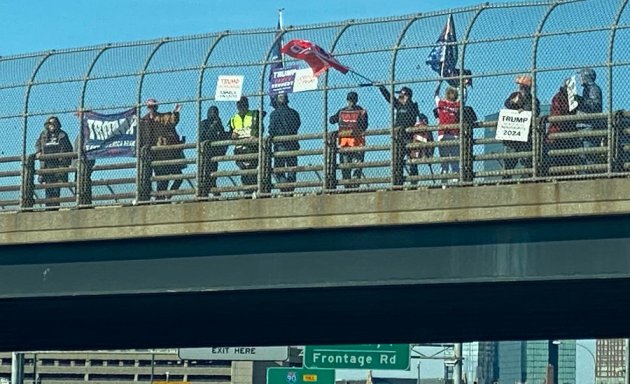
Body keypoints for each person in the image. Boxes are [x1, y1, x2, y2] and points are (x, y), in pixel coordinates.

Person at [139, 98, 184, 200]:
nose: (152, 108)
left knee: (172, 178)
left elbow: (172, 120)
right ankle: (159, 199)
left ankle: (165, 196)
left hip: (166, 154)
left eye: (154, 106)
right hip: (152, 155)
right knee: (158, 180)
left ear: (157, 107)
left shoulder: (162, 117)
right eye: (150, 106)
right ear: (147, 108)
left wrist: (176, 112)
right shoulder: (143, 120)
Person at [378, 85, 421, 184]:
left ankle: (414, 182)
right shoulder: (399, 105)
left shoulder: (412, 106)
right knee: (398, 160)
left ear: (406, 96)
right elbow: (389, 98)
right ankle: (398, 182)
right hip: (399, 138)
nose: (399, 98)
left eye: (401, 95)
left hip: (409, 137)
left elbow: (412, 119)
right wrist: (382, 88)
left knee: (412, 161)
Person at [502, 75, 540, 177]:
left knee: (526, 158)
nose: (520, 88)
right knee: (510, 158)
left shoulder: (533, 100)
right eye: (520, 86)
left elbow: (535, 111)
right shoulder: (514, 95)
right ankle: (506, 177)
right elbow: (507, 104)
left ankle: (526, 178)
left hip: (526, 134)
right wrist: (513, 102)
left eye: (522, 86)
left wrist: (524, 111)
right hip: (513, 133)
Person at [329, 91, 368, 188]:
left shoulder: (356, 111)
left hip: (353, 143)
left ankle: (352, 187)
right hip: (349, 143)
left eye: (352, 100)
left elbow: (364, 127)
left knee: (353, 167)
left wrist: (363, 117)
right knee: (349, 167)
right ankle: (349, 186)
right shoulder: (346, 111)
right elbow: (332, 120)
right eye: (350, 100)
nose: (351, 102)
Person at [35, 116, 73, 207]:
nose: (52, 125)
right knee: (48, 187)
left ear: (57, 124)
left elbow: (70, 149)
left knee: (56, 187)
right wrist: (38, 151)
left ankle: (55, 206)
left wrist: (68, 163)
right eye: (50, 123)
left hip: (59, 164)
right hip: (47, 164)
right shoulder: (43, 134)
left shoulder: (63, 135)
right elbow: (37, 144)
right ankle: (48, 207)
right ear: (47, 125)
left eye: (54, 123)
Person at [228, 96, 264, 192]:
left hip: (252, 147)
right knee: (244, 172)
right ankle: (247, 192)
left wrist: (256, 136)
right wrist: (232, 135)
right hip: (239, 149)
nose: (241, 107)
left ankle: (254, 191)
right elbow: (229, 133)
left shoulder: (254, 114)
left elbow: (261, 128)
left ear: (247, 105)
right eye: (239, 105)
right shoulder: (234, 118)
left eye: (243, 105)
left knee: (252, 171)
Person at [268, 93, 301, 192]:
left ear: (277, 102)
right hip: (293, 144)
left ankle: (284, 186)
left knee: (278, 171)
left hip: (280, 145)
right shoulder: (294, 113)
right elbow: (297, 124)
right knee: (292, 169)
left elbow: (271, 130)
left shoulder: (274, 114)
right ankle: (290, 189)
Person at [545, 78, 579, 171]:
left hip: (569, 131)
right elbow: (557, 114)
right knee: (557, 157)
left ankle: (567, 173)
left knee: (568, 156)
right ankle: (557, 174)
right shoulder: (558, 97)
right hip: (558, 130)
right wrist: (567, 119)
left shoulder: (572, 98)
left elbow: (575, 111)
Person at [575, 68, 605, 167]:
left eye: (581, 76)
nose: (580, 78)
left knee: (588, 155)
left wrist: (579, 100)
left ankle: (589, 174)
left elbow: (594, 105)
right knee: (582, 155)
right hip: (584, 126)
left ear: (585, 76)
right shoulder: (587, 89)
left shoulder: (593, 89)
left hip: (589, 126)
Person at [199, 106, 229, 196]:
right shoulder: (204, 123)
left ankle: (214, 194)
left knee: (213, 176)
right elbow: (203, 137)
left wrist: (229, 133)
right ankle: (205, 194)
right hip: (205, 154)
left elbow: (223, 135)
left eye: (216, 112)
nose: (214, 114)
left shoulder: (219, 124)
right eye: (212, 112)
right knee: (204, 175)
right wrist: (213, 126)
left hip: (215, 153)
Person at [434, 83, 461, 176]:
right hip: (455, 135)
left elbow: (435, 94)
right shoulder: (457, 105)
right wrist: (460, 85)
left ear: (446, 95)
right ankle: (455, 183)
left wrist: (439, 83)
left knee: (444, 162)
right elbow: (464, 96)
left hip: (443, 135)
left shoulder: (441, 104)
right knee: (455, 162)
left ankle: (444, 185)